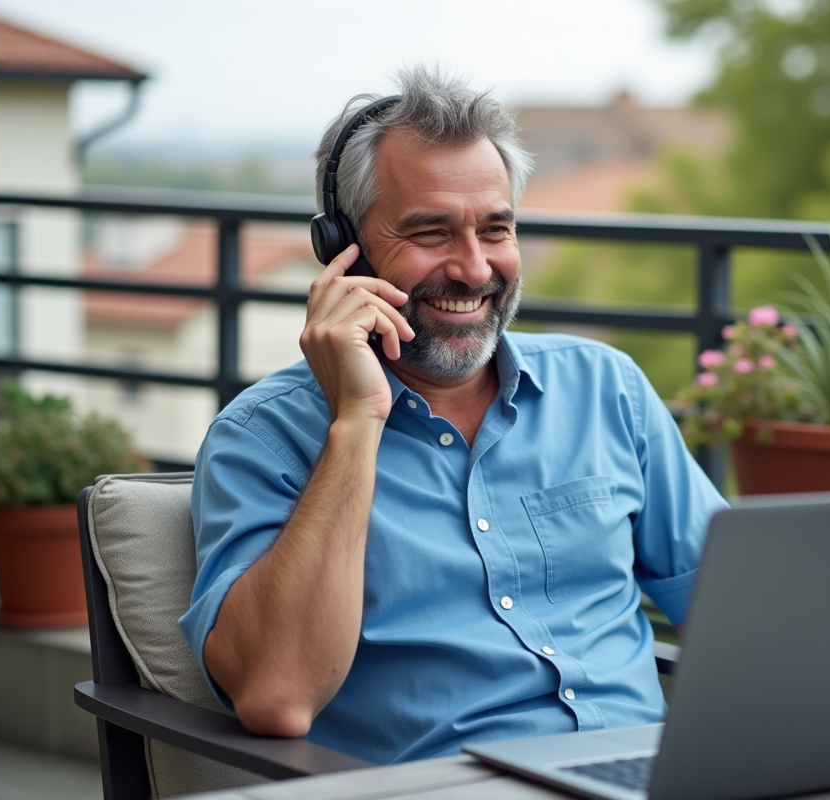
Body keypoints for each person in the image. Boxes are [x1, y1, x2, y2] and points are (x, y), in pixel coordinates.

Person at [179, 65, 727, 765]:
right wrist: (356, 420)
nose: (474, 269)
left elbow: (742, 615)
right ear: (341, 253)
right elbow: (277, 696)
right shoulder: (263, 439)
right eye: (431, 233)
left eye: (495, 228)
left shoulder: (605, 388)